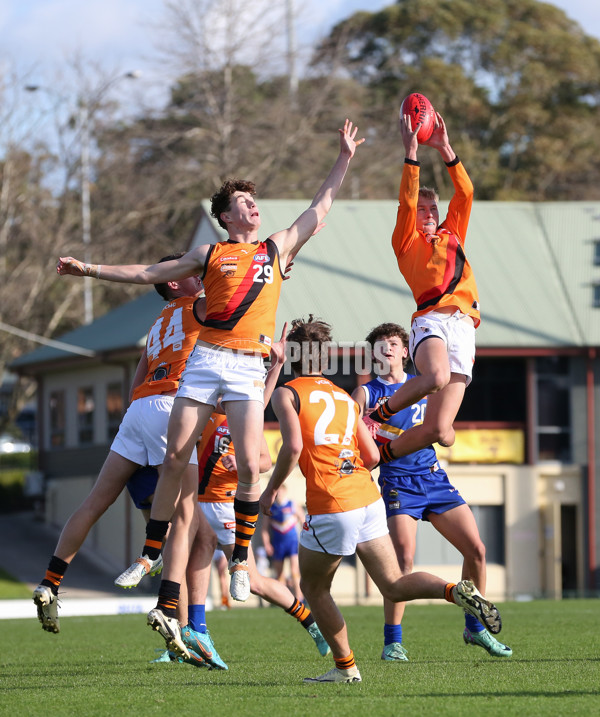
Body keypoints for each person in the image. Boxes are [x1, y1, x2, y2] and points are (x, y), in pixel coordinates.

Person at [56, 119, 364, 657]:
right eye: (243, 201)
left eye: (253, 199)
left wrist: (344, 158)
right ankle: (152, 554)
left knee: (251, 465)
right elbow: (147, 271)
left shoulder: (276, 248)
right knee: (175, 457)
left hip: (246, 366)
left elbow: (320, 207)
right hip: (206, 360)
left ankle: (240, 560)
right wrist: (88, 269)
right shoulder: (210, 255)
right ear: (225, 217)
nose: (253, 205)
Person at [259, 317, 502, 684]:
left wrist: (270, 488)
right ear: (325, 358)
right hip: (369, 499)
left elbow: (292, 447)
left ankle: (346, 669)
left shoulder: (288, 392)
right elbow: (371, 456)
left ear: (293, 355)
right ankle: (454, 590)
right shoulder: (344, 397)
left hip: (333, 501)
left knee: (313, 588)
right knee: (392, 582)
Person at [32, 259, 204, 634]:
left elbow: (136, 381)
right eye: (190, 272)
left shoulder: (158, 322)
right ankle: (169, 609)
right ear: (173, 284)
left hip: (139, 409)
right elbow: (240, 299)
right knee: (186, 514)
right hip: (170, 407)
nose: (198, 274)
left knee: (95, 501)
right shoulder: (199, 305)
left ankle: (50, 581)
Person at [353, 322, 511, 660]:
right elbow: (352, 437)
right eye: (381, 345)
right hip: (397, 481)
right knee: (402, 561)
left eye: (394, 343)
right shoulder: (367, 394)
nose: (388, 349)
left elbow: (448, 433)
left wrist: (443, 432)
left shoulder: (427, 385)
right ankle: (393, 642)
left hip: (434, 478)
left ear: (406, 351)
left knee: (477, 550)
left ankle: (475, 628)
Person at [369, 111, 478, 461]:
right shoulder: (406, 242)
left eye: (434, 208)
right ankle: (377, 416)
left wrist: (445, 147)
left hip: (464, 326)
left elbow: (466, 191)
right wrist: (411, 152)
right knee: (435, 377)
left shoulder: (452, 233)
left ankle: (376, 455)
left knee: (440, 433)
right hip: (431, 319)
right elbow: (407, 197)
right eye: (424, 209)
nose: (430, 213)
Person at [187, 408, 330, 659]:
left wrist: (241, 465)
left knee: (254, 582)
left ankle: (310, 623)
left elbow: (264, 460)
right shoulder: (199, 409)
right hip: (194, 500)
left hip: (226, 506)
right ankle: (190, 635)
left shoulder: (243, 415)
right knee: (184, 566)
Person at [260, 484, 304, 600]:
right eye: (277, 492)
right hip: (278, 543)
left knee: (295, 570)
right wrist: (267, 544)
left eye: (281, 491)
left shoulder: (292, 504)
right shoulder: (271, 508)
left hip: (292, 542)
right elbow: (264, 529)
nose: (279, 494)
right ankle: (285, 599)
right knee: (279, 573)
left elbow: (303, 521)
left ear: (285, 491)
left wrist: (305, 539)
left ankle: (299, 598)